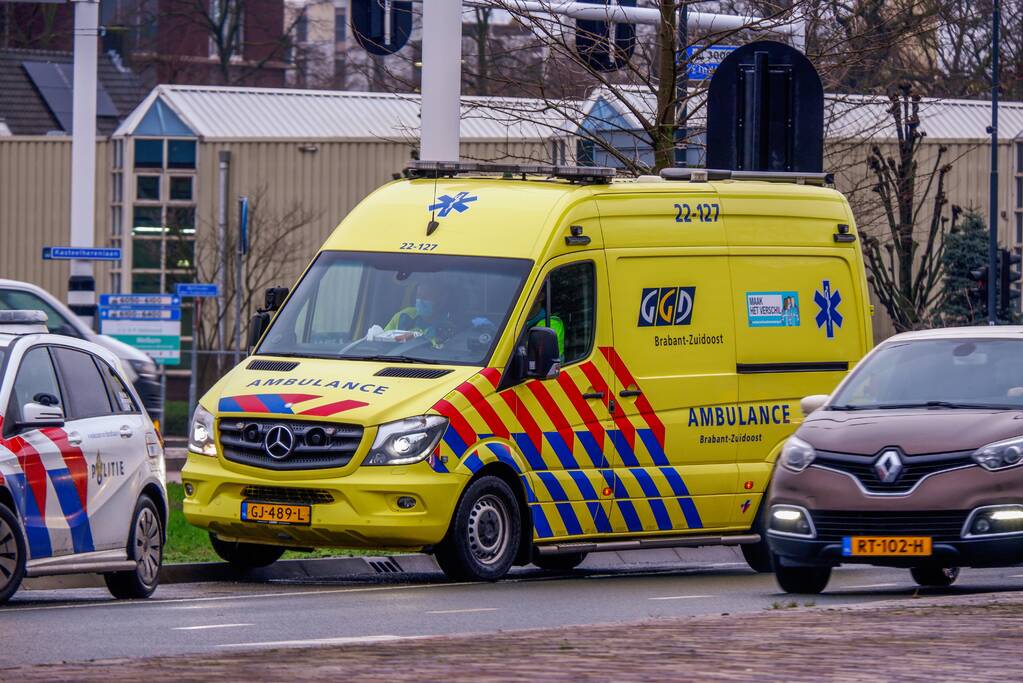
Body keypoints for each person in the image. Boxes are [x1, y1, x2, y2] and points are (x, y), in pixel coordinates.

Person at [384, 279, 454, 346]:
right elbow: (382, 340)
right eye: (418, 296)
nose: (420, 300)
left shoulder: (447, 327)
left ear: (441, 301)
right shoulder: (404, 315)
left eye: (426, 297)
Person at [523, 285, 565, 357]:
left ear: (541, 297)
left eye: (525, 292)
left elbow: (536, 354)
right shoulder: (514, 322)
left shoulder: (551, 323)